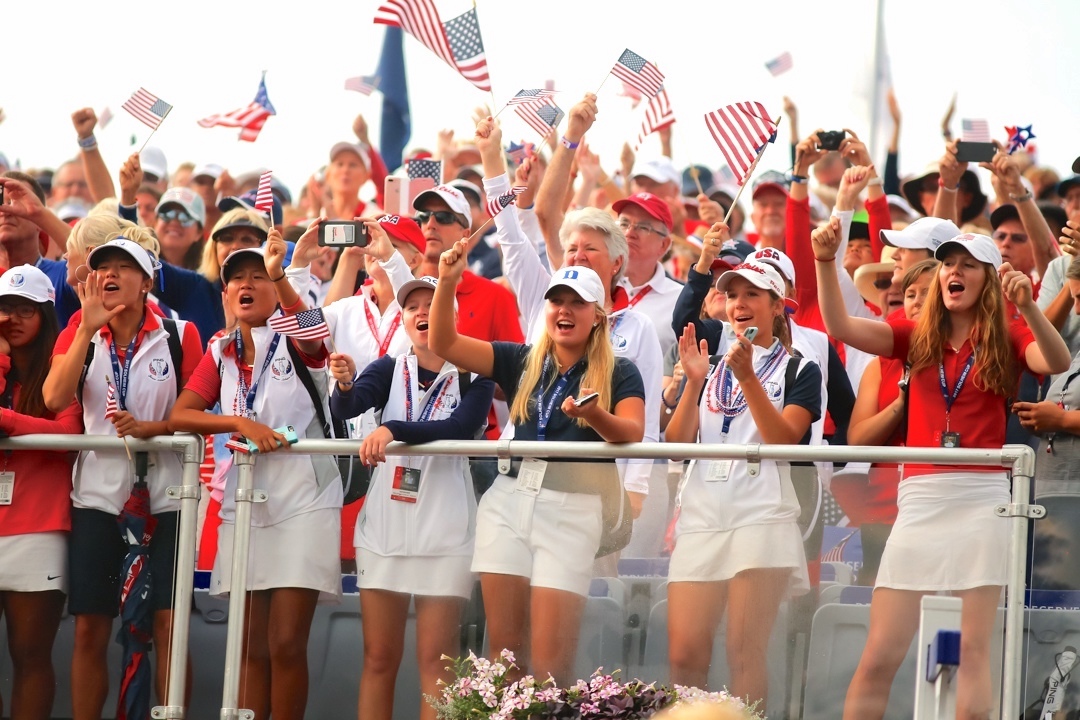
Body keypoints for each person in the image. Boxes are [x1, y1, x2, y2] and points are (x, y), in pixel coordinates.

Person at [812, 209, 1070, 719]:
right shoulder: (913, 332)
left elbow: (1056, 361)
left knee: (974, 652)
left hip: (983, 501)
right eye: (948, 261)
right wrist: (825, 262)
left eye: (969, 264)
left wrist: (1030, 309)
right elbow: (839, 324)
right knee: (881, 652)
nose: (955, 270)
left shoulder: (1012, 331)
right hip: (921, 497)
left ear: (989, 279)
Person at [429, 242, 645, 683]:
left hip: (573, 508)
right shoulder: (520, 358)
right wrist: (447, 280)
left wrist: (593, 415)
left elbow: (632, 432)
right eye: (557, 302)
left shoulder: (621, 371)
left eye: (577, 304)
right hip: (508, 500)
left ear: (598, 314)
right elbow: (443, 342)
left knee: (551, 664)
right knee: (505, 657)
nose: (564, 311)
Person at [167, 229, 342, 720]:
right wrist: (238, 422)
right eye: (235, 278)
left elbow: (314, 330)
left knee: (286, 643)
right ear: (225, 294)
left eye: (257, 276)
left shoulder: (299, 341)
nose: (246, 284)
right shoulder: (220, 348)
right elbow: (184, 414)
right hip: (242, 501)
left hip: (304, 501)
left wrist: (282, 272)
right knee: (248, 647)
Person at [42, 237, 203, 718]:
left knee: (168, 626)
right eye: (102, 267)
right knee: (91, 626)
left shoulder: (180, 333)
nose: (109, 275)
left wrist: (155, 429)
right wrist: (86, 329)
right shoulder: (79, 330)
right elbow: (53, 399)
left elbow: (195, 411)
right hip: (97, 500)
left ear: (147, 281)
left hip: (169, 499)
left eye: (123, 267)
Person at [328, 272, 495, 720]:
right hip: (384, 529)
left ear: (451, 315)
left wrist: (393, 429)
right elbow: (348, 408)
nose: (423, 312)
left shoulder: (475, 374)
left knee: (436, 663)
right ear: (403, 319)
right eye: (412, 306)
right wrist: (343, 385)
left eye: (433, 303)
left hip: (445, 532)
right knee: (379, 658)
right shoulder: (388, 366)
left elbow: (459, 428)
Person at [664, 261, 821, 712]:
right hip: (701, 516)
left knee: (743, 649)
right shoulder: (708, 365)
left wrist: (749, 377)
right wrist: (692, 383)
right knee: (685, 655)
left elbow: (783, 442)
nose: (740, 304)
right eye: (733, 295)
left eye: (753, 294)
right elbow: (675, 448)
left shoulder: (801, 368)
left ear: (777, 306)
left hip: (762, 517)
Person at [0, 265, 82, 720]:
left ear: (46, 313)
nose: (11, 317)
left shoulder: (61, 367)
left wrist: (8, 422)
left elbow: (68, 431)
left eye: (23, 308)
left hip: (39, 527)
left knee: (29, 656)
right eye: (3, 308)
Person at [835, 259, 938, 585]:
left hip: (941, 503)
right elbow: (857, 441)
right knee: (876, 596)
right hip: (884, 504)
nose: (917, 300)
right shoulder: (880, 366)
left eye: (927, 292)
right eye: (910, 294)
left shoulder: (974, 357)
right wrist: (899, 406)